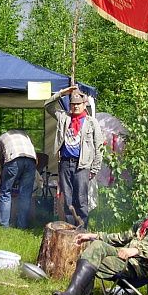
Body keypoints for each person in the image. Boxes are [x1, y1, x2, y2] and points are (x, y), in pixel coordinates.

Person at [45, 86, 103, 228]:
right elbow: (47, 105)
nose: (75, 107)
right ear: (70, 105)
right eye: (73, 104)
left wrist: (94, 168)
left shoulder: (91, 122)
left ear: (84, 105)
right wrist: (62, 93)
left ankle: (82, 230)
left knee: (81, 199)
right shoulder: (64, 118)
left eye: (78, 104)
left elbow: (99, 146)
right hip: (65, 163)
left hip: (82, 165)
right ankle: (70, 230)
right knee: (68, 200)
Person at [0, 129, 37, 228]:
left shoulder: (1, 138)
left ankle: (3, 225)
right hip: (31, 160)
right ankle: (22, 225)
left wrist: (1, 173)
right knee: (25, 194)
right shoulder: (25, 135)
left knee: (6, 192)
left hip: (13, 158)